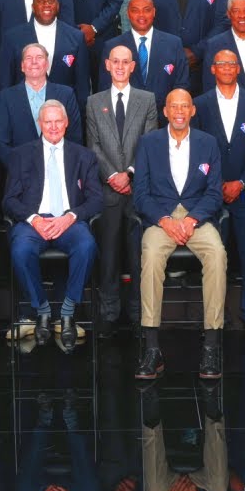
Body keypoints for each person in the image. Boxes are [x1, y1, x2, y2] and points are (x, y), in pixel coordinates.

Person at [133, 89, 227, 380]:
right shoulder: (149, 143)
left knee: (217, 254)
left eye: (185, 106)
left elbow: (214, 192)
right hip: (161, 219)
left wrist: (192, 219)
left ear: (192, 111)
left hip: (197, 218)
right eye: (174, 106)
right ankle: (152, 348)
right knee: (150, 255)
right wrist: (164, 221)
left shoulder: (208, 143)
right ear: (165, 111)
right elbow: (141, 193)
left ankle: (211, 345)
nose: (179, 111)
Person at [3, 100, 102, 349]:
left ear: (66, 123)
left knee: (87, 245)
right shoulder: (21, 155)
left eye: (58, 121)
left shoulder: (84, 156)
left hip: (69, 221)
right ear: (40, 124)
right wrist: (34, 219)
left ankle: (67, 311)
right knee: (20, 250)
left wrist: (70, 217)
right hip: (33, 222)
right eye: (48, 122)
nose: (54, 126)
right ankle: (42, 310)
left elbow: (96, 199)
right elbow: (9, 200)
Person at [85, 46, 158, 336]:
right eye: (115, 61)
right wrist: (113, 176)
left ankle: (140, 312)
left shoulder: (147, 99)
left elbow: (150, 143)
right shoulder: (93, 101)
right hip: (107, 190)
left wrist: (129, 174)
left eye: (125, 62)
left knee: (139, 254)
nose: (119, 66)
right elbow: (93, 145)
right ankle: (109, 312)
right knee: (109, 255)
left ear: (132, 67)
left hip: (138, 190)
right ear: (107, 65)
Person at [193, 49, 245, 330]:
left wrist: (241, 183)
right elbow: (196, 152)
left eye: (231, 64)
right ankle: (216, 313)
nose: (226, 67)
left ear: (238, 69)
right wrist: (216, 184)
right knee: (214, 257)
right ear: (212, 69)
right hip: (210, 193)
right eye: (221, 63)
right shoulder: (200, 104)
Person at [0, 43, 83, 165]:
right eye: (28, 58)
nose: (34, 62)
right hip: (19, 170)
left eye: (39, 57)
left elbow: (75, 137)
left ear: (47, 64)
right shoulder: (6, 97)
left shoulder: (66, 94)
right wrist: (20, 168)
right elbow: (1, 142)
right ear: (22, 66)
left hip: (60, 168)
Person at [0, 0, 90, 104]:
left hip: (64, 109)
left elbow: (82, 84)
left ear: (57, 6)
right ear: (33, 7)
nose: (46, 5)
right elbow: (4, 83)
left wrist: (81, 111)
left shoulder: (76, 37)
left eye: (51, 1)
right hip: (22, 107)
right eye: (40, 1)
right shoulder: (12, 37)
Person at [98, 0, 191, 105]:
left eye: (146, 10)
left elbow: (182, 85)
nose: (141, 15)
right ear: (128, 13)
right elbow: (105, 89)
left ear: (154, 12)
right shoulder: (112, 46)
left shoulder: (174, 44)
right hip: (126, 114)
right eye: (135, 10)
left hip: (165, 113)